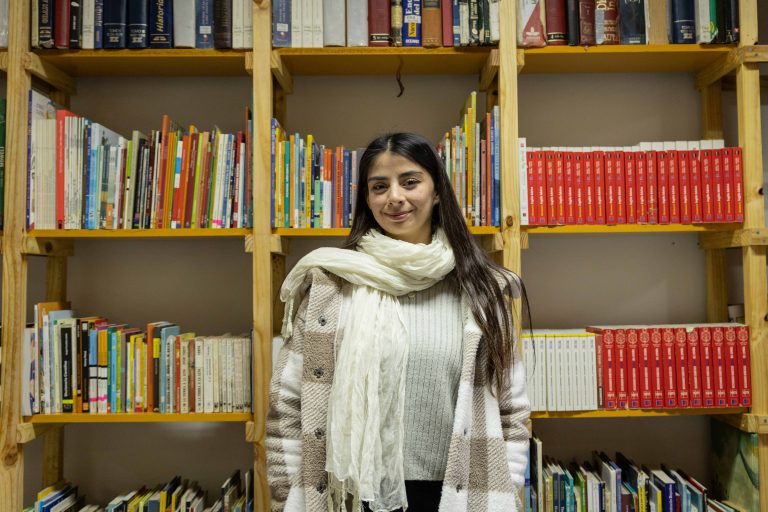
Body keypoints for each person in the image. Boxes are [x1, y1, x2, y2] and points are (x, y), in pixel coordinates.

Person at [266, 132, 531, 512]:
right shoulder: (331, 283)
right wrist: (286, 496)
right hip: (350, 496)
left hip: (459, 495)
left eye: (410, 181)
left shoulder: (482, 289)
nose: (395, 197)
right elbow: (288, 405)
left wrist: (504, 491)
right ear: (367, 199)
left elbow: (511, 410)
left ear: (436, 191)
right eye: (379, 186)